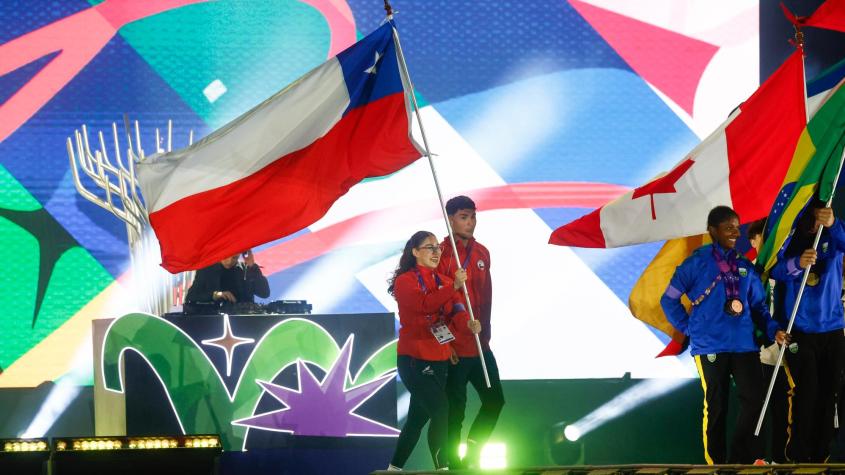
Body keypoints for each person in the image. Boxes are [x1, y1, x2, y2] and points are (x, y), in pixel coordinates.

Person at [661, 206, 788, 464]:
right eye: (728, 227)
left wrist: (774, 330)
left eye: (737, 227)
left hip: (744, 346)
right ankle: (716, 465)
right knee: (716, 406)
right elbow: (669, 300)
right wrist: (689, 329)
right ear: (712, 231)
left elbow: (759, 308)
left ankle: (742, 459)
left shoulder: (744, 266)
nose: (735, 232)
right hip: (709, 346)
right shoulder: (696, 263)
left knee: (755, 401)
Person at [386, 231, 481, 471]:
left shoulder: (445, 281)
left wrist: (469, 324)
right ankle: (443, 468)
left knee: (417, 419)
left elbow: (456, 311)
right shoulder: (405, 281)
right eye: (429, 247)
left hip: (439, 358)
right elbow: (424, 305)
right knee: (441, 410)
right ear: (415, 252)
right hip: (414, 359)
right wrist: (455, 286)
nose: (436, 252)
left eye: (438, 247)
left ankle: (393, 469)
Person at [770, 201, 845, 463]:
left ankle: (821, 454)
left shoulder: (835, 234)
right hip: (799, 331)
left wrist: (833, 224)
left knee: (829, 391)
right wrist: (797, 263)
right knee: (807, 391)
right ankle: (799, 455)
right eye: (813, 216)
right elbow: (774, 270)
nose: (817, 222)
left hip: (833, 328)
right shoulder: (789, 238)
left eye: (821, 215)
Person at [436, 196, 504, 470]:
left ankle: (473, 452)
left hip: (480, 344)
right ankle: (453, 464)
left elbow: (487, 297)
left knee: (495, 400)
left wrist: (485, 334)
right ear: (450, 219)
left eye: (473, 216)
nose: (470, 222)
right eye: (464, 217)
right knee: (457, 410)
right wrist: (446, 344)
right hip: (455, 347)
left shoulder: (482, 253)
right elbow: (436, 304)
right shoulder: (440, 254)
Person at [748, 219, 789, 463]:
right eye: (763, 237)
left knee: (783, 413)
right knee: (756, 411)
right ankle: (757, 460)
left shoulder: (787, 270)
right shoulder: (748, 272)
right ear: (753, 241)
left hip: (786, 355)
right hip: (759, 355)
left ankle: (781, 460)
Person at [185, 250, 270, 310]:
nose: (229, 261)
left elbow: (264, 293)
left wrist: (252, 266)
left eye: (234, 258)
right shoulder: (207, 270)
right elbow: (191, 297)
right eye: (226, 257)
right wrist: (215, 295)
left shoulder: (247, 269)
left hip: (243, 321)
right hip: (215, 321)